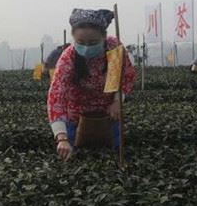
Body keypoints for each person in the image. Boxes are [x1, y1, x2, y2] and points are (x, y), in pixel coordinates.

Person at [47, 8, 136, 161]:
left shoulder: (113, 49)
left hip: (109, 113)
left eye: (93, 42)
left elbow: (124, 76)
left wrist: (117, 101)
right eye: (81, 42)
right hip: (76, 115)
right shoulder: (68, 58)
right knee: (73, 157)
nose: (87, 47)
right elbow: (57, 96)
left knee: (114, 154)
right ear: (73, 38)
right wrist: (61, 138)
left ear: (104, 37)